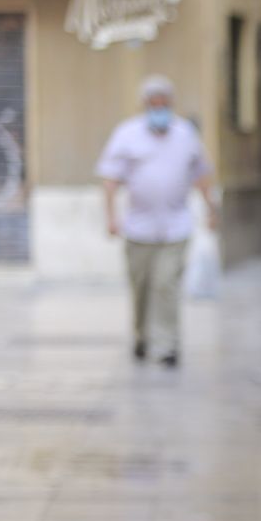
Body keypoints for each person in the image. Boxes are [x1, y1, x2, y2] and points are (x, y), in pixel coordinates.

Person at [96, 75, 218, 367]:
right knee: (141, 287)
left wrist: (212, 209)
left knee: (166, 285)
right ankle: (142, 337)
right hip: (138, 228)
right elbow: (110, 180)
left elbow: (201, 174)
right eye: (154, 103)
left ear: (171, 104)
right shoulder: (127, 134)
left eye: (164, 103)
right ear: (145, 105)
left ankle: (167, 345)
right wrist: (111, 218)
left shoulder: (186, 134)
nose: (159, 108)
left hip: (176, 226)